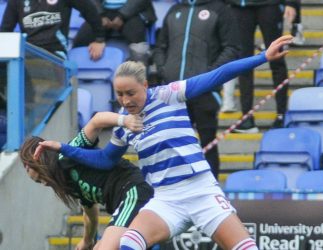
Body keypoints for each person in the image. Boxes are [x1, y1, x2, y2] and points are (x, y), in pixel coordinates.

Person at [36, 35, 292, 250]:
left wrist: (262, 58)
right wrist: (63, 147)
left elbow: (217, 75)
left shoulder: (170, 95)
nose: (125, 100)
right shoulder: (125, 123)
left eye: (130, 93)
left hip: (201, 191)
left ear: (145, 85)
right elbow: (104, 160)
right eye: (119, 94)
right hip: (166, 199)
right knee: (128, 243)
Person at [20, 112, 153, 250]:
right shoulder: (68, 183)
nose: (44, 183)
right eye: (38, 182)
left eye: (41, 177)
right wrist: (87, 240)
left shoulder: (68, 153)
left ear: (42, 160)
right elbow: (90, 213)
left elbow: (97, 120)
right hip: (124, 204)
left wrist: (125, 120)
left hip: (133, 191)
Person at [153, 0, 241, 179]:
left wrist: (209, 76)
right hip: (175, 92)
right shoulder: (174, 10)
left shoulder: (220, 9)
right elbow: (161, 47)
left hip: (205, 92)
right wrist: (164, 69)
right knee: (173, 145)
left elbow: (232, 48)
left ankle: (212, 193)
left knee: (208, 144)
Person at [226, 0, 297, 132]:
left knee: (277, 61)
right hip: (239, 6)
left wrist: (292, 3)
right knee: (244, 62)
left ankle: (281, 115)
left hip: (270, 5)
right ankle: (247, 118)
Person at [0, 0, 106, 60]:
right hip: (28, 53)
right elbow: (5, 29)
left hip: (55, 53)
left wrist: (99, 39)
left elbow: (90, 10)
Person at [73, 0, 156, 64]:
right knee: (79, 43)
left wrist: (122, 15)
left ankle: (138, 79)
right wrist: (100, 15)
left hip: (134, 13)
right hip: (100, 12)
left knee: (139, 47)